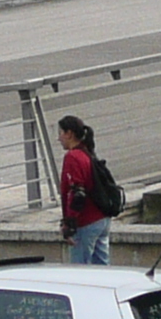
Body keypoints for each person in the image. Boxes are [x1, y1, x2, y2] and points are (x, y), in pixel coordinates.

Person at [56, 112, 110, 265]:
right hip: (102, 219)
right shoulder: (87, 152)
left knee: (80, 272)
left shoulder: (72, 157)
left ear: (69, 134)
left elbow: (77, 193)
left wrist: (70, 225)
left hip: (86, 222)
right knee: (103, 271)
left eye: (60, 133)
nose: (59, 138)